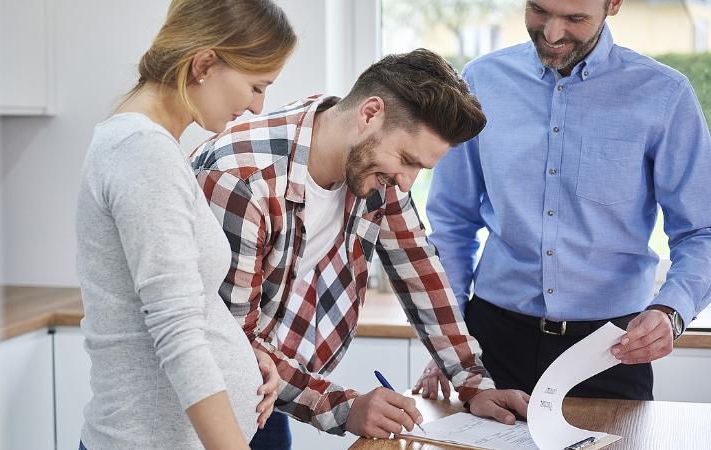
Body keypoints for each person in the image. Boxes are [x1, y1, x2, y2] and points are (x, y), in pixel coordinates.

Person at [191, 48, 530, 448]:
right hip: (192, 405)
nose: (406, 183)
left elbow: (419, 269)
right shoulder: (243, 181)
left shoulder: (367, 163)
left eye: (419, 169)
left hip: (260, 392)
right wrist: (345, 407)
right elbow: (230, 340)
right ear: (369, 114)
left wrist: (473, 385)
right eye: (406, 159)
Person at [422, 0, 711, 402]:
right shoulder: (481, 82)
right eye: (539, 10)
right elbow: (452, 222)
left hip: (609, 351)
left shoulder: (664, 95)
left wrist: (671, 311)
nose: (552, 33)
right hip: (491, 343)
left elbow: (702, 231)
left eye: (575, 18)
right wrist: (448, 339)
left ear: (613, 5)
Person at [75, 1, 296, 449]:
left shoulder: (153, 146)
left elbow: (179, 304)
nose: (257, 107)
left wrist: (241, 353)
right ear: (205, 63)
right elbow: (174, 328)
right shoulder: (142, 151)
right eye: (256, 86)